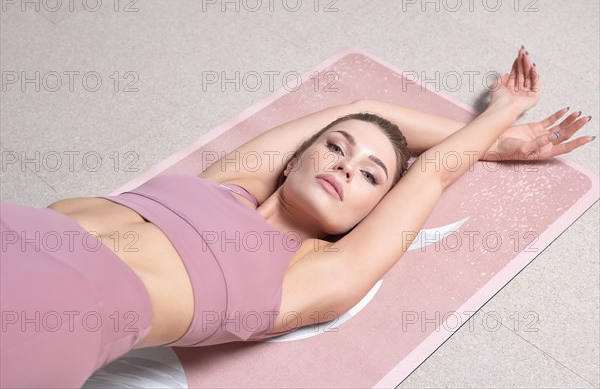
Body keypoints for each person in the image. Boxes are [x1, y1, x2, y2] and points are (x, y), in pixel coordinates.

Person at [0, 47, 593, 388]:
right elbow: (360, 110)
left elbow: (434, 170)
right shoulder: (226, 188)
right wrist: (497, 136)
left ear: (369, 214)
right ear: (293, 161)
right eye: (336, 148)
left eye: (371, 176)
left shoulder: (314, 274)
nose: (346, 167)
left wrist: (506, 125)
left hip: (47, 320)